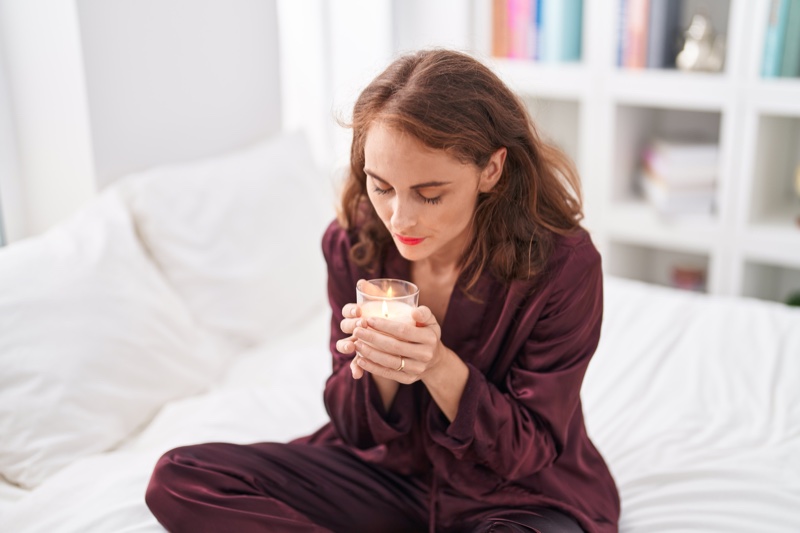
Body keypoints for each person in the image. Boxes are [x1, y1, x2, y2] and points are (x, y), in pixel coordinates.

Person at [145, 49, 620, 533]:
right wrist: (382, 368)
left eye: (430, 194)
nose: (400, 218)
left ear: (492, 170)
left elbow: (528, 448)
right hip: (383, 476)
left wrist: (437, 366)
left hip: (513, 496)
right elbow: (353, 429)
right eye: (381, 186)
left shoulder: (564, 267)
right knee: (182, 479)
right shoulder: (354, 244)